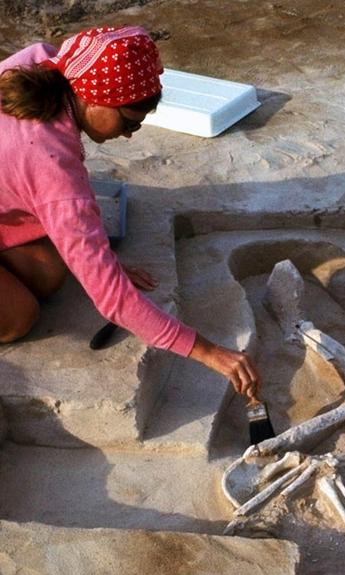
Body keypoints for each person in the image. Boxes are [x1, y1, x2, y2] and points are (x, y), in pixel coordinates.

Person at [0, 25, 260, 399]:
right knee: (18, 317)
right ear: (97, 100)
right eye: (129, 123)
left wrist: (98, 259)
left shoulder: (46, 64)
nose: (129, 136)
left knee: (50, 274)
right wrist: (211, 352)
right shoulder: (52, 167)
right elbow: (113, 300)